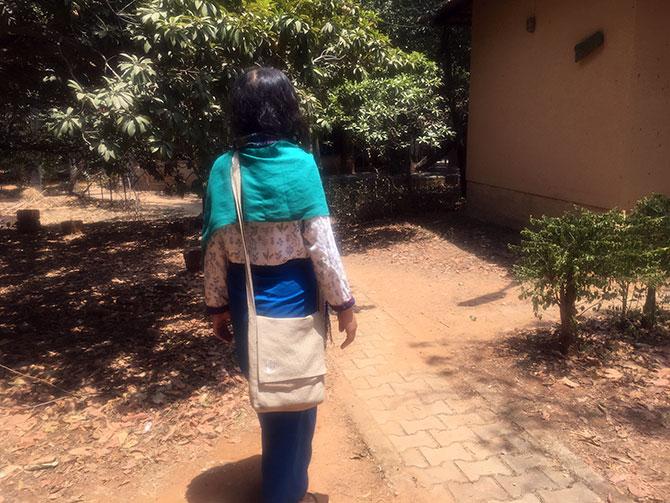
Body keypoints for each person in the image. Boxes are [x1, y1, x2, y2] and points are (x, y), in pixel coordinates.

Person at [202, 66, 357, 503]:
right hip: (294, 301)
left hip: (245, 302)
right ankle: (286, 494)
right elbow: (322, 246)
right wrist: (344, 303)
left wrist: (216, 307)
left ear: (240, 112)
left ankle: (281, 481)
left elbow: (214, 247)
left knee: (269, 397)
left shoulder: (222, 169)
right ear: (285, 109)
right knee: (296, 403)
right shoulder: (299, 165)